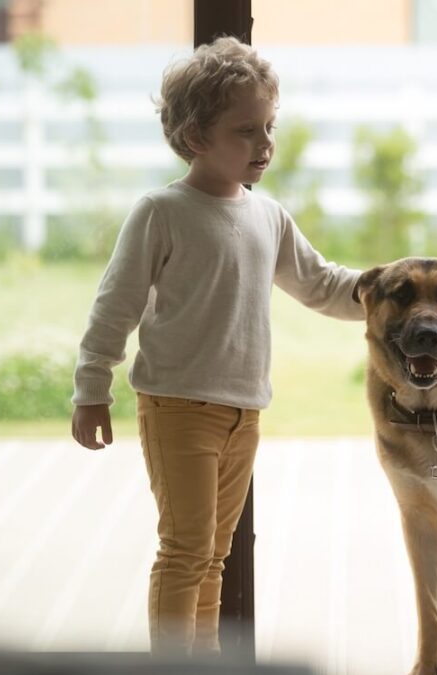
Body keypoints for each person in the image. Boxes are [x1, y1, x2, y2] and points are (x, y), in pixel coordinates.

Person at [69, 37, 363, 656]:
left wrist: (396, 289)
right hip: (177, 408)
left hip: (244, 413)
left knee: (215, 556)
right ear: (196, 136)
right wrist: (91, 388)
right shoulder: (162, 212)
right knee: (184, 552)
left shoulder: (269, 217)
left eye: (269, 127)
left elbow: (322, 284)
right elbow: (115, 305)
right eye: (245, 130)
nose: (265, 144)